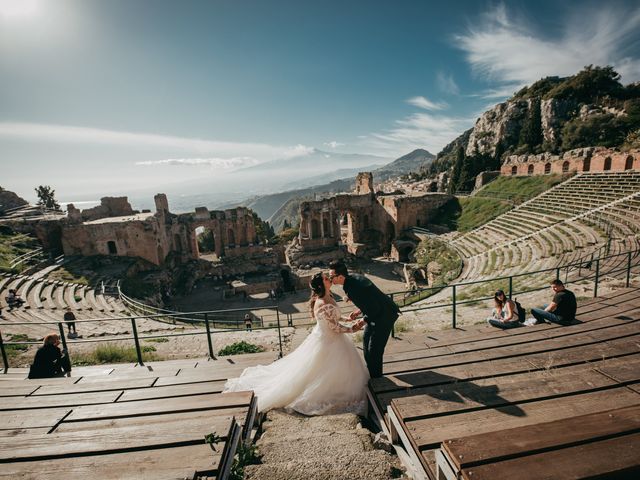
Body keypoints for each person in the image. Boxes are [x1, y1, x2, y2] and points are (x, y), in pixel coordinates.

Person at [224, 272, 368, 415]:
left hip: (329, 338)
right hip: (329, 341)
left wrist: (346, 318)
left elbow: (333, 317)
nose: (329, 278)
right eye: (325, 278)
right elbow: (335, 327)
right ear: (321, 284)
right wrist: (352, 329)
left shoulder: (327, 297)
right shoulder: (323, 303)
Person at [329, 259, 400, 378]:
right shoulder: (353, 279)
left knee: (374, 351)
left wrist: (362, 321)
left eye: (331, 277)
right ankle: (373, 374)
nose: (330, 279)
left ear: (340, 276)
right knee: (366, 343)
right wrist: (358, 311)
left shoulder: (353, 288)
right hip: (376, 314)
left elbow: (375, 308)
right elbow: (369, 299)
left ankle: (377, 379)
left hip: (384, 316)